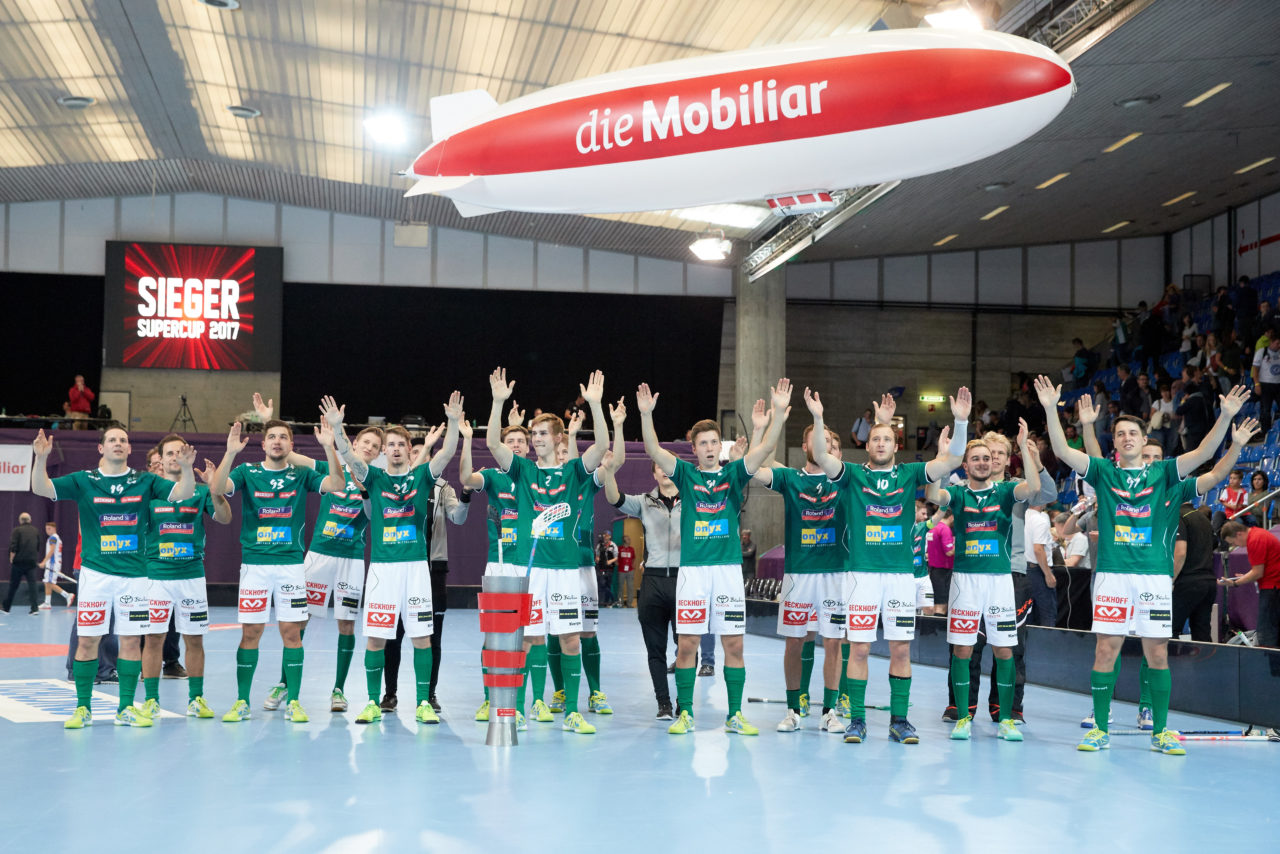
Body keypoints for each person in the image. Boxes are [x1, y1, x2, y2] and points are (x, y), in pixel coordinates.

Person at [1035, 374, 1254, 754]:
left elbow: (1205, 457)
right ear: (1115, 443)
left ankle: (1160, 732)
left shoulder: (1165, 474)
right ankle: (1099, 729)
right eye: (1119, 434)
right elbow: (1062, 450)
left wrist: (1226, 419)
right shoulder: (1104, 473)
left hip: (1153, 578)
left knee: (1157, 653)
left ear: (1143, 437)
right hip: (1114, 578)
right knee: (1106, 650)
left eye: (1132, 433)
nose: (1126, 438)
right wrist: (1051, 410)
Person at [810, 385, 970, 744]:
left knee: (900, 648)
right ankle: (858, 720)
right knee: (860, 647)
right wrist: (819, 418)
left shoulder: (910, 474)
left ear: (896, 445)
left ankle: (900, 721)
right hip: (861, 575)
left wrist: (961, 422)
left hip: (899, 577)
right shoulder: (852, 474)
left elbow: (952, 460)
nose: (881, 444)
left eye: (887, 439)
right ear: (867, 445)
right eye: (875, 439)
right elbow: (821, 453)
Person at [636, 378, 790, 736]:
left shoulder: (734, 473)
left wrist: (778, 414)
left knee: (733, 643)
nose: (708, 448)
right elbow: (653, 450)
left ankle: (734, 714)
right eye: (702, 443)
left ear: (719, 446)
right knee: (687, 643)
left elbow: (766, 446)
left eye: (713, 442)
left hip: (727, 572)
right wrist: (646, 415)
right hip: (693, 572)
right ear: (693, 448)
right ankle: (685, 712)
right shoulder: (686, 474)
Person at [30, 425, 195, 728]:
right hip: (96, 576)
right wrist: (40, 460)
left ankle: (126, 708)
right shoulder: (84, 480)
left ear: (130, 449)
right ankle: (83, 708)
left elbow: (183, 494)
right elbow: (42, 488)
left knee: (131, 641)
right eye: (112, 440)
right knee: (87, 641)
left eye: (123, 440)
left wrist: (186, 469)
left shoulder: (146, 481)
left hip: (134, 576)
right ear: (101, 448)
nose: (118, 444)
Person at [325, 394, 461, 726]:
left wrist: (454, 423)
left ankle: (422, 704)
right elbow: (348, 455)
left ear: (409, 449)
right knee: (376, 637)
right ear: (385, 451)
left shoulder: (422, 477)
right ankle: (372, 702)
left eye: (402, 444)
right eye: (392, 444)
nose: (397, 448)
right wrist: (339, 428)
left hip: (416, 568)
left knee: (422, 637)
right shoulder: (374, 478)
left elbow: (446, 453)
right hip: (383, 569)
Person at [486, 367, 609, 735]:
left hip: (566, 570)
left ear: (557, 438)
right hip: (531, 571)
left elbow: (601, 447)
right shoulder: (522, 470)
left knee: (570, 638)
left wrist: (596, 405)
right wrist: (496, 403)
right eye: (532, 433)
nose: (534, 438)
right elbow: (494, 444)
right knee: (528, 639)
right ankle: (519, 709)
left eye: (541, 433)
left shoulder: (574, 471)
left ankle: (572, 710)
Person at [250, 393, 386, 714]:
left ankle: (338, 689)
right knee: (299, 621)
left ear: (379, 454)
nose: (368, 448)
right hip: (318, 557)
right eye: (364, 442)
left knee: (347, 626)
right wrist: (268, 421)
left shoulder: (377, 481)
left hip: (351, 560)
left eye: (374, 447)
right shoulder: (330, 468)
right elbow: (287, 453)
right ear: (354, 442)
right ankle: (284, 683)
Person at [209, 415, 346, 723]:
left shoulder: (300, 474)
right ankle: (242, 701)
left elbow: (338, 483)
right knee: (251, 632)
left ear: (291, 444)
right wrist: (230, 452)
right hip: (255, 566)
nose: (277, 441)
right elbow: (216, 488)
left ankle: (294, 701)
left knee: (291, 632)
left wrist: (328, 448)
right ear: (263, 443)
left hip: (290, 567)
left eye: (283, 437)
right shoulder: (247, 471)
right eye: (272, 437)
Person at [926, 419, 1041, 743]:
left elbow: (1032, 488)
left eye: (986, 459)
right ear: (966, 465)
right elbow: (933, 493)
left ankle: (1005, 719)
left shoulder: (1006, 492)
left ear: (994, 463)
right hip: (965, 582)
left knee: (1004, 652)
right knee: (962, 651)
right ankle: (963, 717)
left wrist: (1023, 449)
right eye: (975, 458)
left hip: (1000, 583)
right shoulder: (959, 495)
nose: (981, 462)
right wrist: (941, 456)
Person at [750, 412, 852, 735]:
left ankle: (830, 711)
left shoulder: (846, 480)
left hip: (835, 574)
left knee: (834, 643)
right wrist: (765, 424)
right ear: (806, 445)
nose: (825, 445)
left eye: (832, 443)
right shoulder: (792, 479)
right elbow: (754, 467)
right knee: (794, 642)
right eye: (819, 439)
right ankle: (794, 709)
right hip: (798, 575)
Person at [137, 433, 232, 719]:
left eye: (180, 452)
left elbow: (225, 518)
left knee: (194, 639)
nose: (174, 457)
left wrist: (215, 489)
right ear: (161, 460)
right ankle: (151, 700)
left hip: (191, 576)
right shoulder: (150, 492)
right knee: (153, 638)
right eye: (169, 453)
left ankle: (196, 699)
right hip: (156, 576)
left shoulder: (201, 491)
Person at [459, 415, 533, 727]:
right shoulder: (491, 475)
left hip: (530, 565)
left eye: (521, 441)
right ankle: (490, 699)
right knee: (494, 638)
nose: (516, 445)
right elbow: (465, 478)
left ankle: (514, 705)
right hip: (499, 564)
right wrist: (466, 438)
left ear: (529, 448)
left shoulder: (536, 476)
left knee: (525, 638)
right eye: (510, 441)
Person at [605, 460, 682, 721]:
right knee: (655, 649)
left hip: (685, 581)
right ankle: (664, 703)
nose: (664, 469)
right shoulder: (644, 502)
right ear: (654, 473)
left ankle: (685, 700)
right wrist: (608, 471)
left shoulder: (693, 498)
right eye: (658, 466)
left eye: (668, 465)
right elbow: (615, 498)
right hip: (653, 582)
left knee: (686, 647)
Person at [1220, 521, 1280, 648]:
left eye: (1233, 542)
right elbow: (1262, 569)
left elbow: (1257, 572)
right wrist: (1247, 576)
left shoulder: (1255, 540)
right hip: (1274, 586)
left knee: (1267, 633)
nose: (1234, 546)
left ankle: (1270, 666)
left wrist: (1234, 583)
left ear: (1239, 534)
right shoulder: (1259, 534)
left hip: (1272, 588)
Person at [1172, 503, 1215, 642]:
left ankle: (1168, 663)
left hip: (1187, 581)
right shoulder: (1204, 519)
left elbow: (1180, 552)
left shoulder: (1178, 517)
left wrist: (1170, 579)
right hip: (1208, 581)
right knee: (1202, 632)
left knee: (1170, 629)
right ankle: (1205, 663)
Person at [1024, 503, 1056, 626]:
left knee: (1026, 613)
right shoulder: (1040, 519)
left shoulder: (1022, 515)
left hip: (1023, 568)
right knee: (1047, 613)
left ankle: (1027, 644)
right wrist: (1048, 574)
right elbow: (1038, 549)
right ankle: (1048, 644)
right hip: (1038, 570)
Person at [5, 512, 42, 615]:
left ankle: (6, 608)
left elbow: (13, 546)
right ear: (30, 520)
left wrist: (11, 559)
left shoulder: (17, 530)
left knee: (13, 585)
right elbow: (38, 546)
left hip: (19, 562)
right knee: (32, 586)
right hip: (31, 562)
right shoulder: (35, 531)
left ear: (20, 521)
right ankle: (35, 609)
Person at [38, 520, 74, 609]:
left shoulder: (53, 538)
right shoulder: (57, 538)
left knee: (49, 582)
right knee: (47, 582)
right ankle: (47, 603)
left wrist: (44, 561)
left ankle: (67, 595)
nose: (47, 530)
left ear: (54, 529)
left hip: (52, 564)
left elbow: (52, 550)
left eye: (49, 528)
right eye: (46, 529)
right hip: (55, 563)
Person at [1251, 331, 1280, 438]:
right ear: (1271, 342)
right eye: (1277, 343)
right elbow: (1255, 370)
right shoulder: (1262, 352)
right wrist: (1257, 384)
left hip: (1278, 384)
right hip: (1266, 384)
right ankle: (1265, 432)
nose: (1278, 345)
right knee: (1265, 410)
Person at [926, 509, 954, 614]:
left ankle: (929, 630)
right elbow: (949, 552)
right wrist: (963, 546)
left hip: (933, 569)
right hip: (943, 570)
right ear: (951, 517)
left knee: (936, 601)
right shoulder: (945, 529)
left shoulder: (932, 528)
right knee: (942, 603)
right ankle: (935, 628)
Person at [1211, 470, 1250, 542]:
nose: (1231, 480)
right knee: (1218, 514)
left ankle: (1237, 541)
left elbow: (1244, 505)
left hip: (1238, 515)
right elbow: (1223, 501)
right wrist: (1232, 506)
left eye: (1234, 478)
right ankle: (1217, 535)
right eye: (1230, 478)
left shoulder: (1244, 492)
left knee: (1239, 523)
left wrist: (1239, 506)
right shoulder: (1227, 490)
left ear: (1240, 480)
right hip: (1228, 515)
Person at [616, 536, 636, 608]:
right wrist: (616, 562)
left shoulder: (631, 549)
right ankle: (620, 603)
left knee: (630, 587)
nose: (629, 540)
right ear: (624, 540)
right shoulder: (619, 548)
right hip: (621, 571)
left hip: (630, 571)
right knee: (620, 587)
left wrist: (633, 565)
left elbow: (634, 558)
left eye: (629, 539)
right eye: (628, 539)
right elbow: (616, 557)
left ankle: (629, 603)